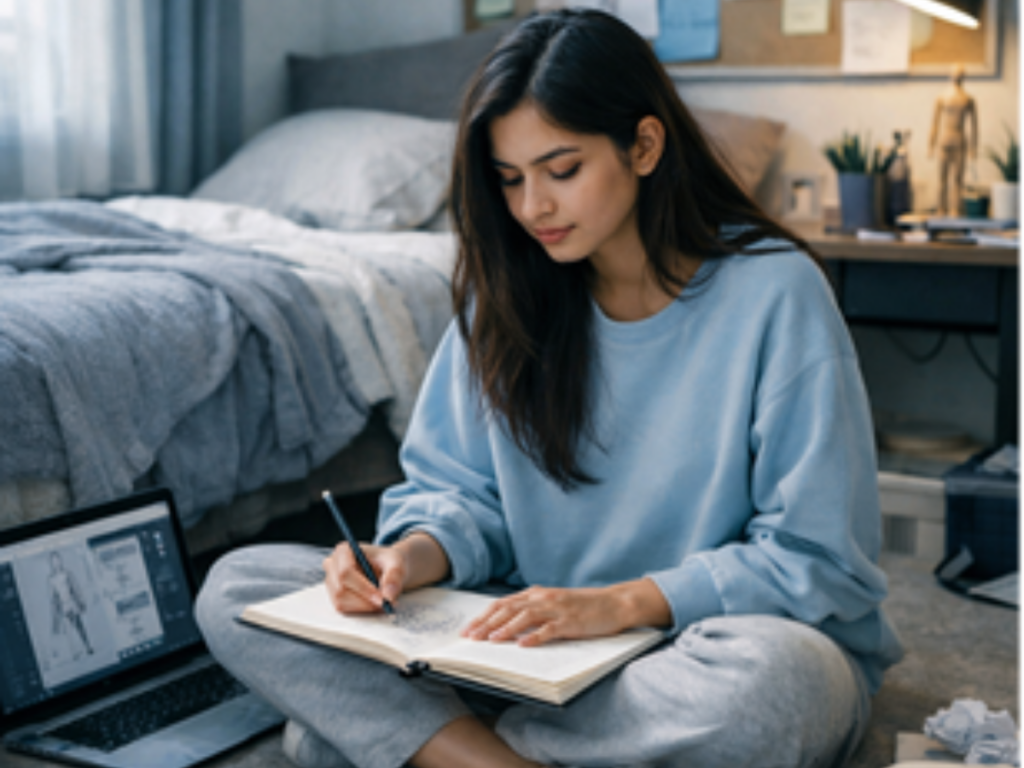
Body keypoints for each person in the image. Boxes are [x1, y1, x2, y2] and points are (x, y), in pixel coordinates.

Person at [195, 9, 904, 768]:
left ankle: (429, 744)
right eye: (509, 180)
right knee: (237, 587)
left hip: (693, 644)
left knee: (775, 689)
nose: (533, 208)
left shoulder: (774, 292)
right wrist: (407, 557)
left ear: (644, 145)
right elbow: (461, 497)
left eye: (561, 171)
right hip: (529, 650)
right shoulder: (505, 294)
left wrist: (618, 605)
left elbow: (816, 555)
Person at [929, 62, 977, 216]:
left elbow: (974, 127)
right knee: (942, 178)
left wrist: (973, 148)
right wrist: (931, 144)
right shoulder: (942, 97)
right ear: (950, 75)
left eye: (960, 74)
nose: (957, 77)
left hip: (960, 140)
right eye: (955, 73)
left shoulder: (968, 99)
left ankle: (955, 209)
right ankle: (941, 208)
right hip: (945, 139)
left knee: (958, 178)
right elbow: (935, 123)